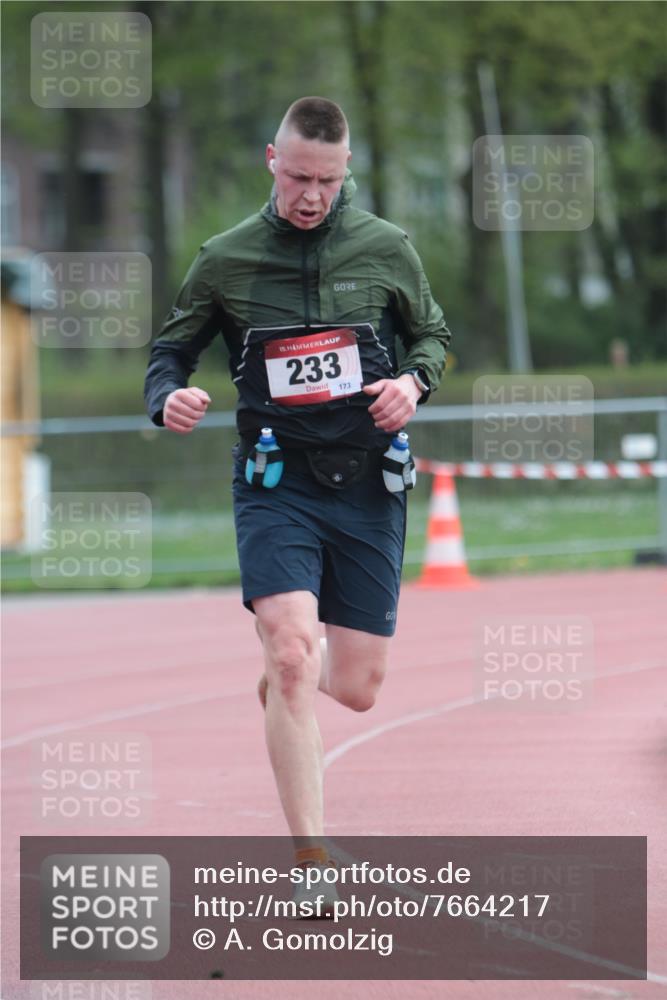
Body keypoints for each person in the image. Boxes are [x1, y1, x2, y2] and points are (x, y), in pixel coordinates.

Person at [144, 96, 451, 913]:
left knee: (355, 688)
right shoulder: (226, 258)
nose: (311, 196)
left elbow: (432, 335)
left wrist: (412, 382)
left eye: (327, 181)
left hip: (369, 481)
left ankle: (289, 675)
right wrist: (168, 395)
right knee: (291, 655)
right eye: (298, 178)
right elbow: (171, 348)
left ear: (346, 171)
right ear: (272, 162)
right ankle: (311, 860)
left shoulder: (386, 247)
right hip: (275, 482)